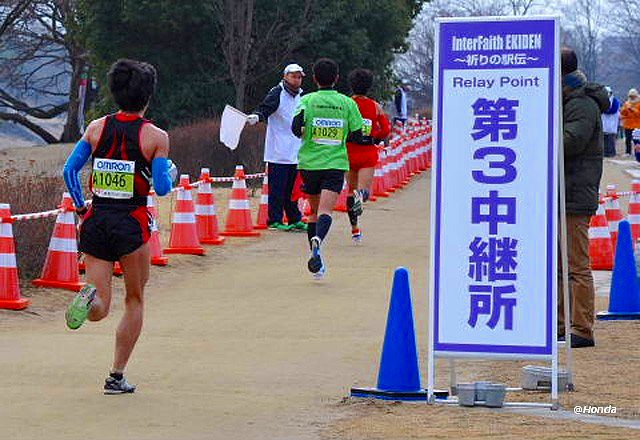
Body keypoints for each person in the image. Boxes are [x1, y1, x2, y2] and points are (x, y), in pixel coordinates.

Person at [62, 59, 177, 393]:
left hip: (96, 220)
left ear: (114, 91)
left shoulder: (96, 128)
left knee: (100, 306)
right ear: (148, 96)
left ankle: (88, 297)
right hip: (131, 222)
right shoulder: (156, 137)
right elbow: (163, 187)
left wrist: (83, 208)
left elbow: (69, 172)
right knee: (135, 300)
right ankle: (116, 376)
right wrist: (170, 170)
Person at [291, 58, 363, 278]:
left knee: (313, 212)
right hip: (334, 164)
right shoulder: (347, 103)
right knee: (325, 211)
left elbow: (295, 128)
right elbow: (358, 135)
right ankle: (318, 241)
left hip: (309, 164)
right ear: (337, 78)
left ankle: (317, 258)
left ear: (314, 78)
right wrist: (340, 136)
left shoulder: (307, 100)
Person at [559, 48, 609, 348]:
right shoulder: (567, 99)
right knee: (561, 264)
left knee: (577, 264)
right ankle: (562, 323)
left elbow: (571, 142)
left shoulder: (582, 103)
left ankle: (582, 327)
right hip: (563, 191)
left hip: (576, 192)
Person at [247, 63, 307, 232]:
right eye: (294, 76)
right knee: (278, 188)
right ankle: (274, 219)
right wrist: (257, 117)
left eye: (299, 77)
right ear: (285, 76)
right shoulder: (277, 93)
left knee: (293, 189)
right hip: (278, 151)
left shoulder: (302, 96)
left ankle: (294, 218)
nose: (297, 80)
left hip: (296, 150)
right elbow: (265, 108)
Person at [345, 68, 391, 242]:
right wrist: (376, 138)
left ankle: (354, 229)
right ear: (369, 86)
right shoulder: (375, 106)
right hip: (367, 152)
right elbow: (386, 129)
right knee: (363, 190)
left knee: (350, 190)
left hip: (348, 150)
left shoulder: (346, 103)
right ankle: (361, 197)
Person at [601, 86, 620, 157]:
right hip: (604, 123)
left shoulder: (615, 101)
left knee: (611, 140)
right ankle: (605, 153)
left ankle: (612, 153)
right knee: (604, 139)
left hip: (612, 123)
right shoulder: (602, 100)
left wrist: (604, 110)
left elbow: (613, 110)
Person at [620, 88, 640, 156]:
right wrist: (625, 109)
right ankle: (628, 152)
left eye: (633, 96)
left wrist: (633, 110)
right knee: (627, 139)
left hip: (637, 125)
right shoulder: (627, 103)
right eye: (630, 96)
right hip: (628, 124)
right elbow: (623, 113)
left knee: (636, 140)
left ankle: (637, 152)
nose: (632, 98)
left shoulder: (639, 103)